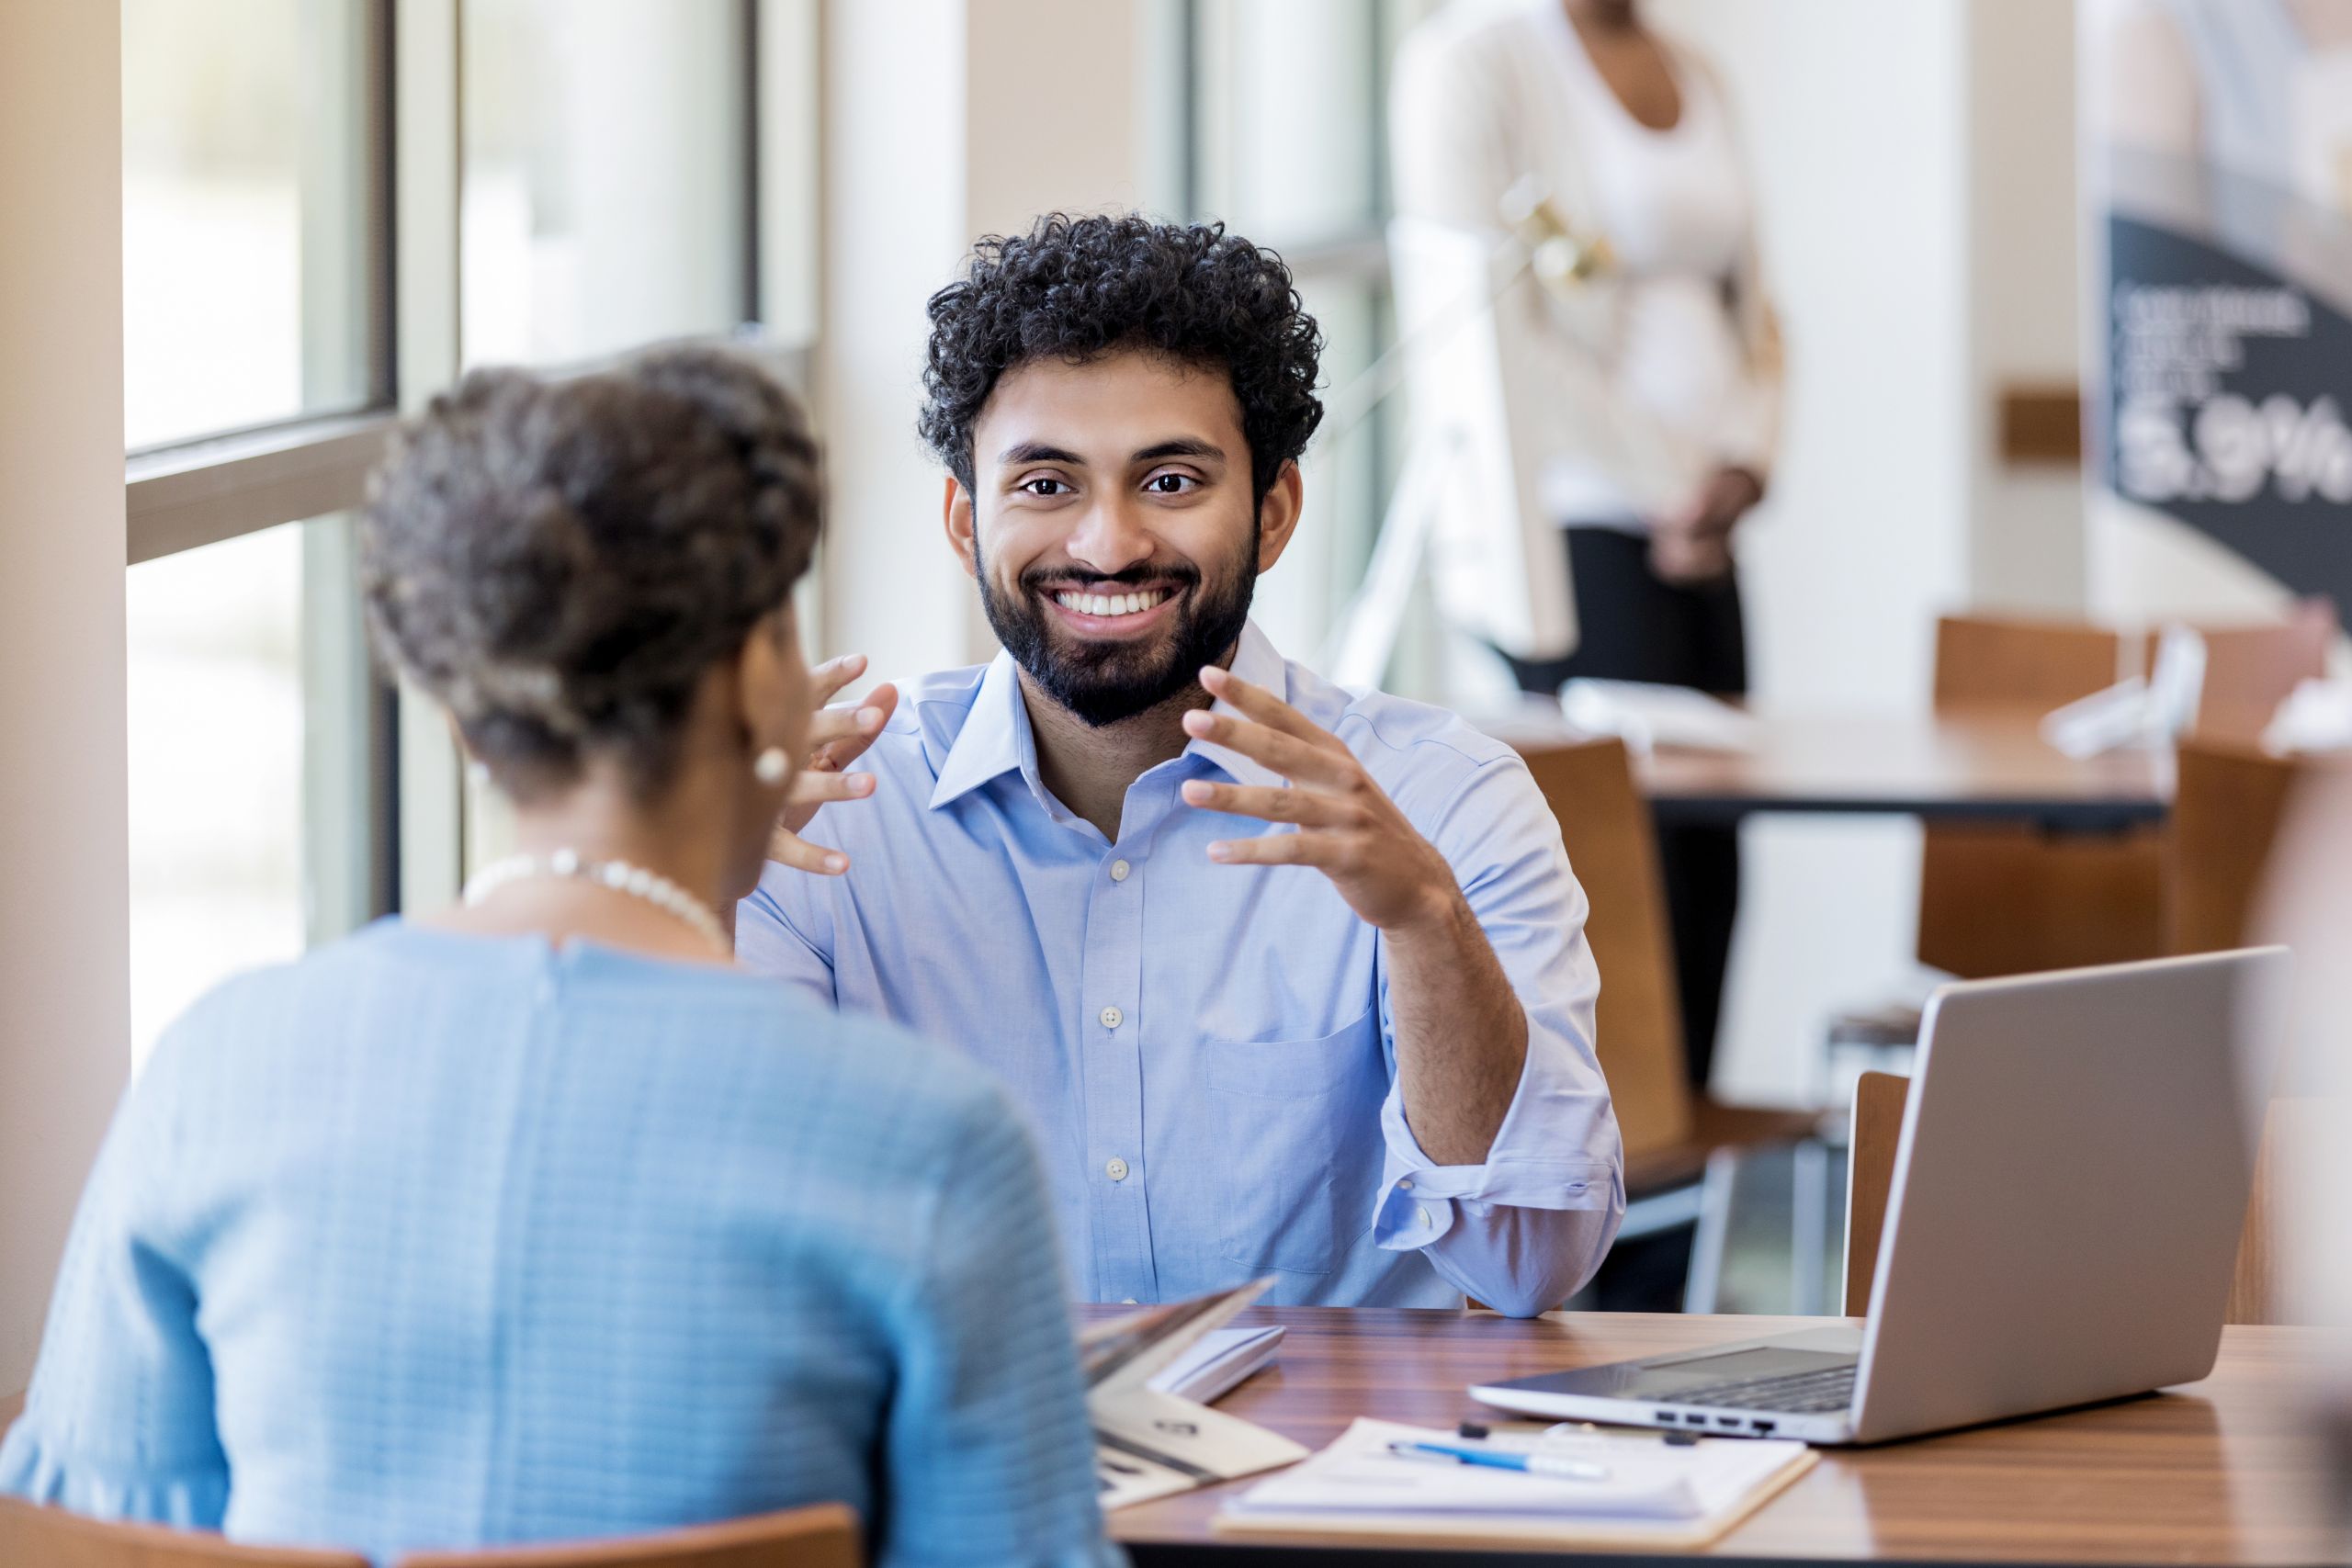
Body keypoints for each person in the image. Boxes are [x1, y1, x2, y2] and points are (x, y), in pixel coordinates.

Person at [0, 351, 1119, 1568]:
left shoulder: (215, 1067)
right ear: (757, 678)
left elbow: (92, 1534)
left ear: (457, 708)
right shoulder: (929, 1141)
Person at [736, 214, 1623, 1318]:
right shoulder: (827, 819)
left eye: (1168, 482)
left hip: (1340, 1476)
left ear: (1275, 511)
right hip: (975, 1460)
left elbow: (1530, 1266)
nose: (1106, 546)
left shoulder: (1447, 800)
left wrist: (1423, 920)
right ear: (966, 523)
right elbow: (721, 1249)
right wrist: (685, 884)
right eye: (1046, 484)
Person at [1391, 0, 1784, 1099]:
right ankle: (1610, 1219)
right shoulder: (1470, 66)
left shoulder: (1696, 70)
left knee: (1711, 868)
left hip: (1704, 532)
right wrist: (1671, 479)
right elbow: (1483, 321)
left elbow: (1758, 308)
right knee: (1619, 884)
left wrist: (1744, 462)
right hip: (1572, 531)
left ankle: (1678, 1227)